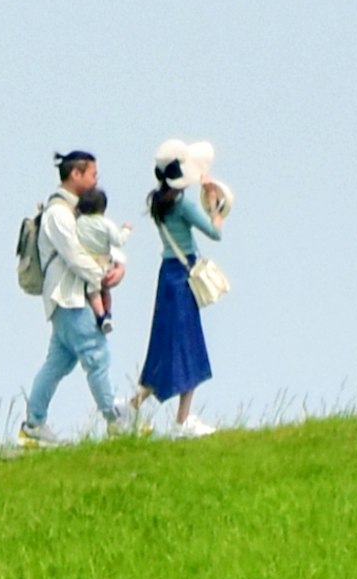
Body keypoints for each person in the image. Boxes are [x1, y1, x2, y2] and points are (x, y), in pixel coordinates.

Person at [18, 148, 134, 440]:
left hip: (67, 298)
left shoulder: (76, 211)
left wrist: (118, 268)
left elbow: (97, 242)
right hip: (70, 297)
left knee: (58, 363)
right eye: (92, 174)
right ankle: (114, 419)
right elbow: (75, 254)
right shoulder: (59, 213)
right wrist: (103, 278)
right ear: (76, 174)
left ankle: (33, 424)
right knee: (96, 355)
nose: (96, 180)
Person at [138, 140, 234, 433]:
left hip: (166, 273)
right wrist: (216, 205)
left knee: (164, 345)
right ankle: (182, 420)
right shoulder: (182, 205)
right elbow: (215, 232)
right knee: (187, 345)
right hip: (183, 276)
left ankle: (132, 406)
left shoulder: (157, 202)